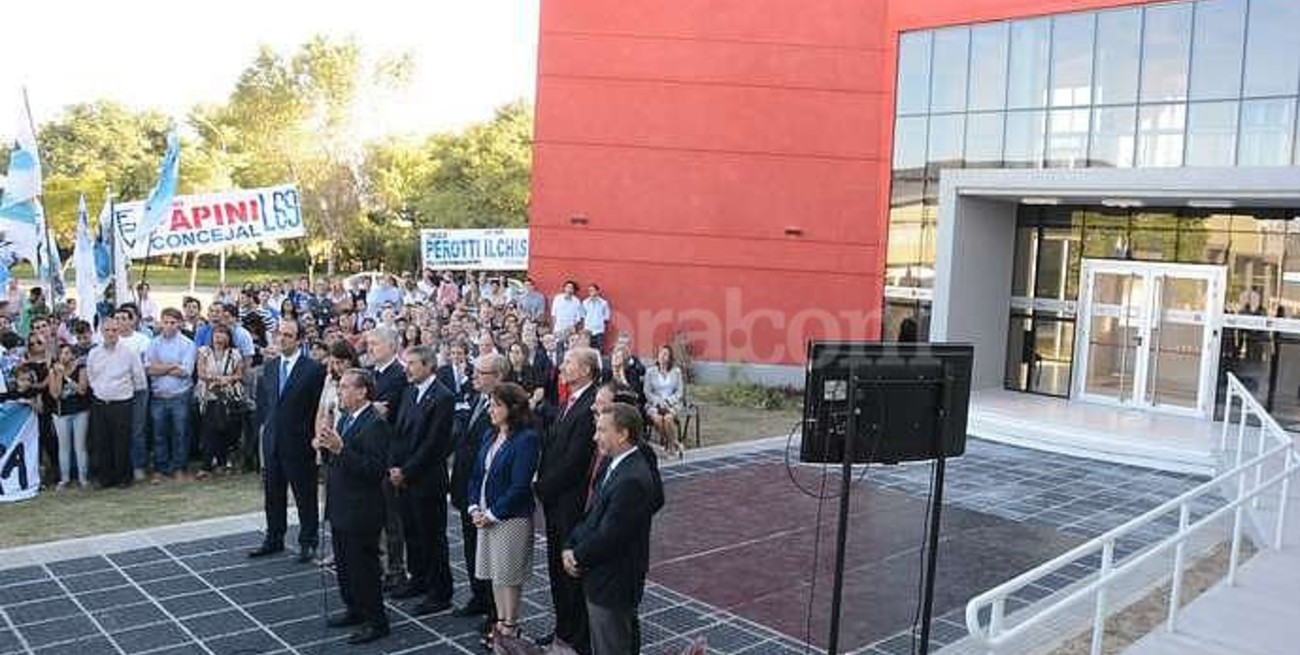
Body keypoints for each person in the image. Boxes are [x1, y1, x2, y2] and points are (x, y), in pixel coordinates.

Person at [564, 402, 661, 655]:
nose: (595, 437)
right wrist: (569, 545)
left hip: (613, 583)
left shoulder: (632, 479)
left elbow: (611, 535)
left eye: (602, 430)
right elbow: (593, 515)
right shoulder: (614, 464)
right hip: (601, 577)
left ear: (623, 434)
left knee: (611, 647)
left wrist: (577, 555)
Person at [313, 368, 391, 645]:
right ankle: (354, 608)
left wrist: (340, 449)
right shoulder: (345, 418)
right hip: (341, 504)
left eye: (346, 387)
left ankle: (376, 620)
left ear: (362, 391)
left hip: (362, 508)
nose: (340, 392)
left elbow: (374, 469)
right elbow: (338, 459)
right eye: (340, 387)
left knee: (363, 567)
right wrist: (325, 445)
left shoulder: (375, 423)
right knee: (344, 565)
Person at [534, 346, 600, 653]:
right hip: (554, 500)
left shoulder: (590, 405)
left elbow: (575, 462)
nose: (564, 365)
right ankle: (563, 629)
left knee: (570, 571)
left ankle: (576, 635)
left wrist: (542, 487)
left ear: (586, 370)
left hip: (570, 502)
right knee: (555, 570)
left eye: (570, 362)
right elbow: (553, 448)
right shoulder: (567, 402)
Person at [467, 382, 541, 647]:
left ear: (512, 408)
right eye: (490, 404)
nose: (490, 409)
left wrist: (493, 513)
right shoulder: (490, 435)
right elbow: (477, 474)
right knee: (495, 574)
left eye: (496, 405)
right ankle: (500, 622)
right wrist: (474, 507)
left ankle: (510, 627)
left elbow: (520, 485)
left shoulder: (527, 439)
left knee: (509, 575)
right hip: (485, 515)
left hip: (510, 518)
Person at [388, 345, 457, 615]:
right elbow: (398, 433)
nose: (408, 368)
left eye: (413, 363)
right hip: (404, 478)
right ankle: (418, 580)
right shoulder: (408, 392)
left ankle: (440, 592)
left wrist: (406, 471)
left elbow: (434, 444)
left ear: (429, 366)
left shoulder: (443, 397)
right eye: (407, 363)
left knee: (432, 537)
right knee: (412, 533)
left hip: (426, 480)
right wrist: (394, 466)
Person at [250, 318, 325, 563]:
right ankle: (274, 538)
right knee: (273, 494)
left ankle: (308, 541)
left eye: (288, 335)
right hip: (272, 442)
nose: (282, 338)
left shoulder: (313, 369)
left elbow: (318, 409)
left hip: (300, 443)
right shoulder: (270, 368)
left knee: (305, 496)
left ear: (300, 340)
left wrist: (315, 440)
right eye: (280, 334)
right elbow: (265, 406)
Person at [448, 352, 502, 624]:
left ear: (498, 377)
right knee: (471, 545)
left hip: (487, 490)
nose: (474, 377)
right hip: (465, 484)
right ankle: (478, 595)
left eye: (481, 373)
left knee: (490, 552)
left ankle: (495, 610)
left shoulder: (505, 407)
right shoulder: (473, 397)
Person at [87, 321, 146, 488]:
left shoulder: (129, 352)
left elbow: (139, 379)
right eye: (107, 330)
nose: (111, 333)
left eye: (114, 330)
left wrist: (123, 392)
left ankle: (123, 478)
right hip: (100, 402)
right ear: (101, 332)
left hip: (122, 403)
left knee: (122, 442)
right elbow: (91, 376)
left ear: (119, 331)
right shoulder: (94, 353)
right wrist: (101, 390)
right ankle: (105, 478)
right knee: (102, 441)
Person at [146, 308, 197, 482]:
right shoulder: (153, 343)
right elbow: (149, 369)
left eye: (173, 323)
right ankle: (161, 468)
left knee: (180, 433)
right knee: (159, 434)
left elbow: (185, 371)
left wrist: (161, 367)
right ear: (161, 323)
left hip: (180, 395)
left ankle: (179, 467)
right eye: (166, 322)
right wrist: (172, 365)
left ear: (180, 324)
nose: (169, 326)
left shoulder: (187, 344)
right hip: (159, 396)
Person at [195, 325, 245, 477]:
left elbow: (239, 374)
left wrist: (228, 379)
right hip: (209, 396)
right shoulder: (204, 352)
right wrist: (215, 379)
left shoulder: (234, 354)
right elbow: (201, 372)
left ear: (228, 337)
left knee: (225, 429)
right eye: (216, 333)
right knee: (209, 430)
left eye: (223, 333)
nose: (219, 336)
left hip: (228, 397)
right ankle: (206, 465)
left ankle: (223, 463)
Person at [49, 343, 90, 489]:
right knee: (64, 446)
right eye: (61, 353)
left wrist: (66, 377)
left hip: (80, 411)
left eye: (67, 353)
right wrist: (59, 375)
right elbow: (55, 394)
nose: (64, 356)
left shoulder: (81, 369)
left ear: (73, 354)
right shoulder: (53, 371)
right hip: (61, 413)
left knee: (80, 446)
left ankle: (83, 477)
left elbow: (81, 390)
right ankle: (65, 478)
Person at [643, 345, 685, 458]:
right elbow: (647, 391)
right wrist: (658, 402)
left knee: (668, 418)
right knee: (657, 419)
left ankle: (670, 447)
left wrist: (668, 401)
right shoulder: (650, 371)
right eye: (661, 353)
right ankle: (675, 444)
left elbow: (679, 392)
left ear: (670, 357)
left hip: (671, 404)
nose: (662, 356)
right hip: (654, 405)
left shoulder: (676, 372)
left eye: (665, 354)